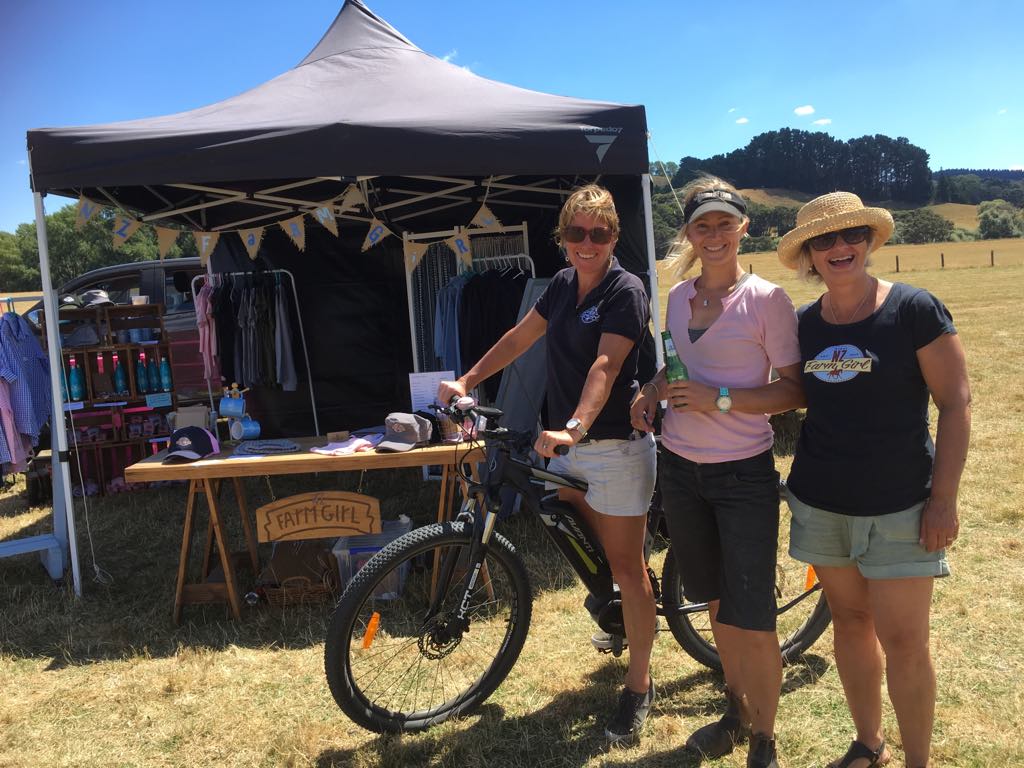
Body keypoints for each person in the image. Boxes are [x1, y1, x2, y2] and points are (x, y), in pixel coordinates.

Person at [438, 184, 658, 745]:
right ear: (562, 237)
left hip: (610, 445)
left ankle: (639, 684)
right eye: (577, 232)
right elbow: (519, 339)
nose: (588, 242)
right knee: (571, 527)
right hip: (566, 447)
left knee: (627, 568)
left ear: (614, 237)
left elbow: (606, 366)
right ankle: (617, 610)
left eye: (599, 233)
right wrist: (467, 380)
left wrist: (574, 427)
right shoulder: (561, 285)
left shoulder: (626, 290)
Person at [776, 192, 970, 768]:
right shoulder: (804, 323)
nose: (840, 247)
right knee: (851, 622)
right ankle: (868, 743)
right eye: (825, 240)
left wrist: (943, 500)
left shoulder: (914, 309)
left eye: (852, 235)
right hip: (822, 503)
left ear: (868, 241)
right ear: (810, 255)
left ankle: (917, 762)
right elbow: (784, 389)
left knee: (905, 640)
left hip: (901, 505)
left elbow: (956, 404)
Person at [630, 178, 804, 768]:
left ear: (743, 229)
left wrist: (720, 400)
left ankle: (765, 738)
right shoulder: (679, 297)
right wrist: (651, 390)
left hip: (742, 475)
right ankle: (735, 710)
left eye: (724, 224)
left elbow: (793, 391)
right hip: (681, 471)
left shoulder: (767, 300)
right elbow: (678, 368)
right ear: (688, 232)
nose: (713, 235)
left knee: (753, 616)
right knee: (715, 603)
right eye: (702, 225)